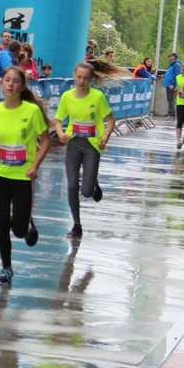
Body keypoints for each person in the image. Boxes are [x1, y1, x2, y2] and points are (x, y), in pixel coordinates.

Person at [0, 66, 51, 286]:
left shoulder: (30, 111)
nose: (10, 84)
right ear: (1, 84)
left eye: (15, 81)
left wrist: (35, 166)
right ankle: (6, 269)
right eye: (6, 80)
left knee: (19, 231)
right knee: (1, 223)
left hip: (23, 176)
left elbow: (46, 140)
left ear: (22, 86)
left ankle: (28, 223)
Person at [54, 61, 117, 238]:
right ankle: (76, 224)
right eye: (79, 77)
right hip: (73, 143)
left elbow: (111, 119)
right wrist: (60, 133)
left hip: (92, 145)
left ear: (91, 80)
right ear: (74, 76)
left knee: (86, 192)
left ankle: (93, 185)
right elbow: (58, 120)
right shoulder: (67, 96)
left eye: (86, 78)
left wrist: (105, 137)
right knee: (72, 184)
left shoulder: (97, 97)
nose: (81, 81)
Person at [162, 52, 180, 119]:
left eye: (170, 56)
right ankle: (171, 112)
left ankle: (171, 114)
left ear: (174, 58)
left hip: (171, 85)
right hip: (168, 84)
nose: (169, 58)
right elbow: (170, 73)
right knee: (169, 99)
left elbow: (176, 75)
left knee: (171, 99)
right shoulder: (171, 65)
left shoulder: (177, 65)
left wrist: (172, 84)